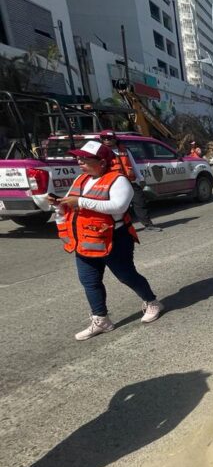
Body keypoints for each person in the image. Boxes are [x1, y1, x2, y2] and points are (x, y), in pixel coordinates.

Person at [49, 141, 163, 340]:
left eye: (85, 158)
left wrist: (80, 201)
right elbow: (72, 203)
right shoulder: (81, 180)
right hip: (85, 240)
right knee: (89, 281)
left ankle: (152, 302)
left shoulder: (119, 180)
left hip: (114, 240)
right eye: (78, 158)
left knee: (126, 276)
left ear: (101, 162)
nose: (80, 161)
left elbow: (118, 206)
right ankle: (101, 320)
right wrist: (59, 203)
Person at [100, 130, 161, 231]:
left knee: (140, 202)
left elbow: (133, 164)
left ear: (115, 139)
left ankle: (148, 225)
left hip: (129, 181)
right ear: (101, 140)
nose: (107, 140)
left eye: (109, 138)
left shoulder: (124, 150)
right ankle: (117, 229)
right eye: (104, 138)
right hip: (113, 184)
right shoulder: (101, 153)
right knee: (118, 207)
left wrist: (140, 178)